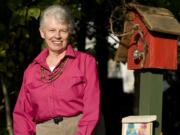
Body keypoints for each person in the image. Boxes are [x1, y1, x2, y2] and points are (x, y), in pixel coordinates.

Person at [13, 5, 104, 135]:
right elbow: (22, 114)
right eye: (52, 30)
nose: (57, 36)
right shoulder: (31, 71)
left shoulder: (85, 62)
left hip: (80, 128)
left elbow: (92, 106)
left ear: (70, 32)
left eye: (63, 30)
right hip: (45, 130)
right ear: (42, 32)